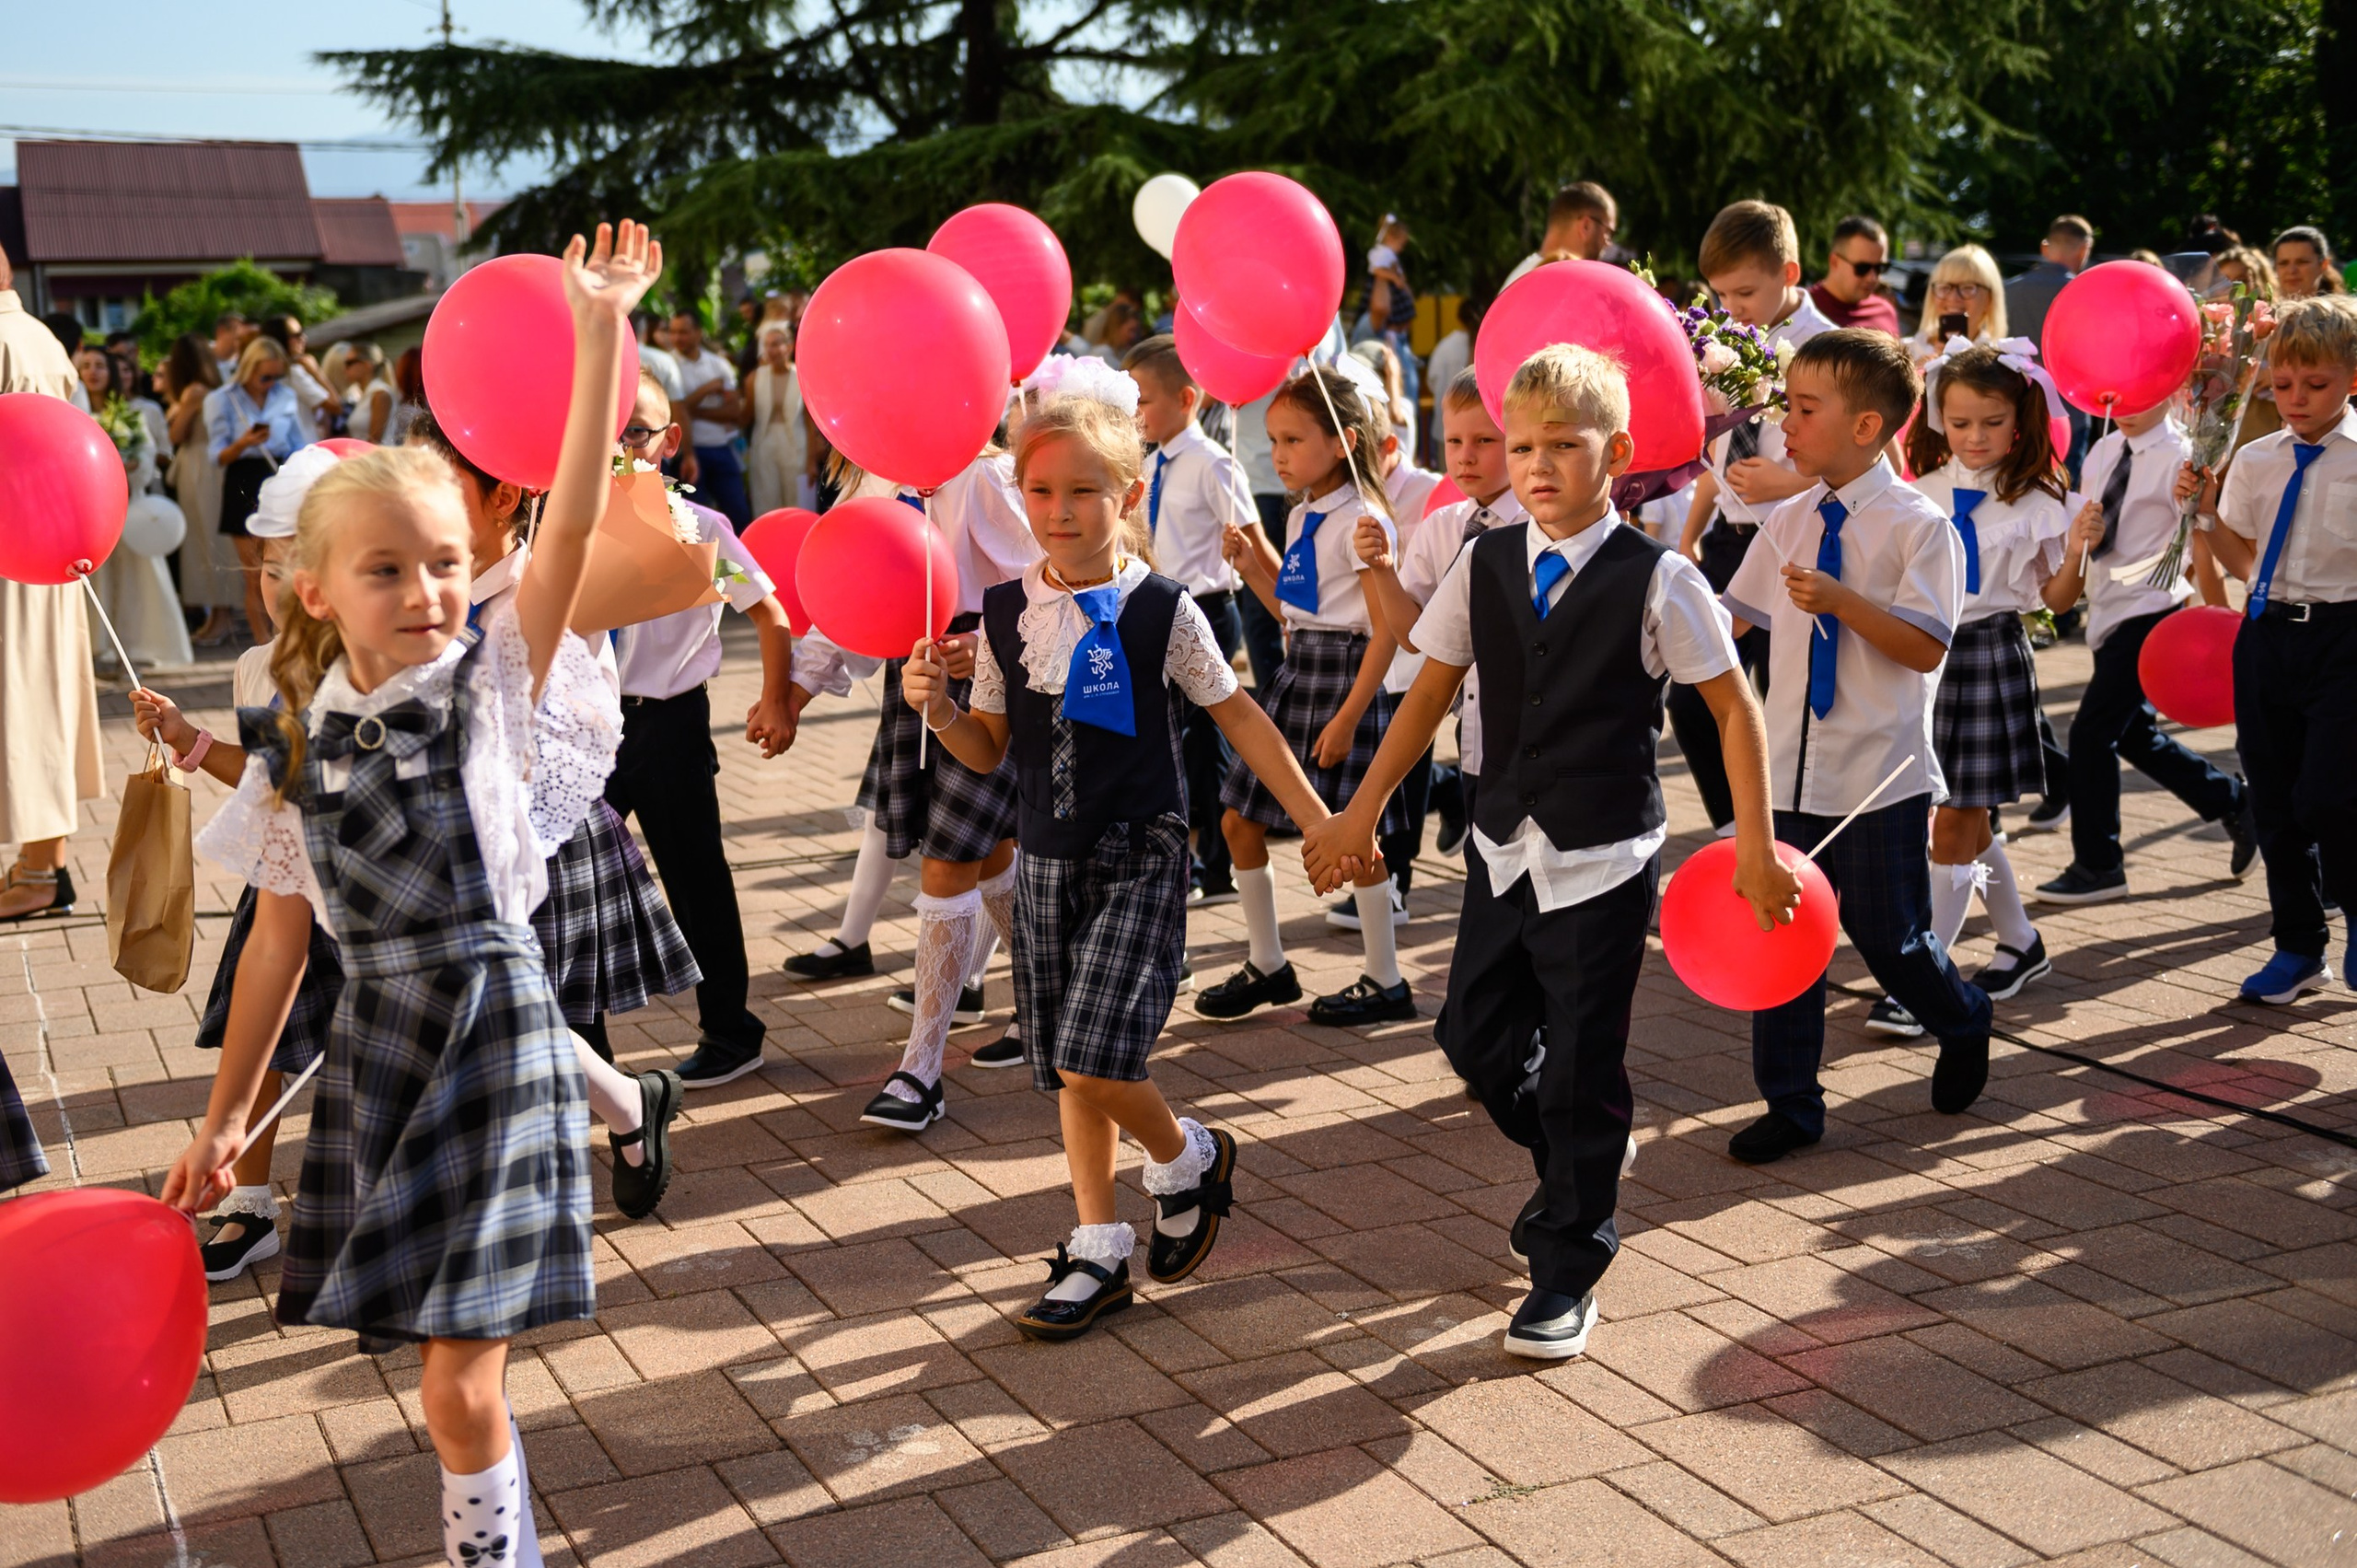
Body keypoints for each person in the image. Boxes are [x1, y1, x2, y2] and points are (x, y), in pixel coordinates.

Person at [165, 218, 663, 1568]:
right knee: (440, 1375)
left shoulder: (493, 675)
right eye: (387, 568)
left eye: (444, 560)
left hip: (497, 1031)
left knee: (454, 1377)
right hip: (380, 1044)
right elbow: (275, 952)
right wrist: (222, 1131)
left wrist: (599, 324)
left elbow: (559, 524)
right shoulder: (290, 739)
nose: (429, 587)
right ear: (313, 587)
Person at [1307, 343, 1798, 1358]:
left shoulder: (1659, 578)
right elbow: (1431, 684)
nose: (1534, 464)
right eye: (1520, 445)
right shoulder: (1483, 560)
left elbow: (1732, 707)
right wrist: (1359, 812)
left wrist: (1754, 845)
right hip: (1499, 845)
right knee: (1472, 1039)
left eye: (1561, 446)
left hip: (1605, 859)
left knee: (1581, 1061)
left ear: (1614, 452)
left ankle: (1566, 1260)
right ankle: (1584, 1149)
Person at [904, 392, 1332, 1339]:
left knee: (1089, 1053)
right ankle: (1097, 1240)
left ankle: (1186, 1156)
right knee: (1072, 1074)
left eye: (1085, 490)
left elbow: (1240, 716)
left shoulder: (1164, 611)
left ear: (1127, 493)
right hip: (1047, 865)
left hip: (1142, 853)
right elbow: (985, 749)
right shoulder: (1009, 610)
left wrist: (1318, 817)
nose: (1061, 508)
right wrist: (935, 709)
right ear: (1018, 497)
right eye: (1041, 489)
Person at [1719, 330, 1994, 1163]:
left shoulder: (1921, 527)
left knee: (1889, 936)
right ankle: (1793, 1104)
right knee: (1785, 936)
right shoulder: (1788, 517)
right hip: (1789, 770)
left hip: (1881, 772)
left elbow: (1925, 646)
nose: (1786, 426)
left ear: (1868, 426)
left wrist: (1840, 599)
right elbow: (1735, 624)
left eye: (1805, 411)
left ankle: (1962, 1015)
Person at [783, 389, 1049, 1117]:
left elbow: (1049, 584)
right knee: (989, 854)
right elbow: (847, 599)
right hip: (916, 679)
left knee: (946, 859)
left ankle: (921, 1070)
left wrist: (984, 645)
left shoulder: (988, 478)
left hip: (987, 687)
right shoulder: (869, 482)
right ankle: (1043, 999)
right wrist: (793, 695)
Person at [132, 448, 351, 1279]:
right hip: (291, 885)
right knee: (259, 1049)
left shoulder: (399, 669)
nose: (279, 590)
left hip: (383, 906)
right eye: (265, 571)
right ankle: (250, 1205)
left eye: (299, 570)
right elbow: (269, 785)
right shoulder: (255, 668)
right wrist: (190, 742)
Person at [1200, 366, 1415, 1027]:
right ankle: (1268, 962)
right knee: (1238, 819)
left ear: (1344, 440)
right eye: (1273, 440)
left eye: (1293, 439)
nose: (1278, 455)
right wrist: (1248, 568)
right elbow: (1297, 615)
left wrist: (1350, 716)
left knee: (1356, 838)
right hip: (1301, 672)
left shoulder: (1364, 520)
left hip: (1349, 678)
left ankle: (1386, 977)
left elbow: (1386, 634)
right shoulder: (1299, 516)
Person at [602, 375, 800, 1089]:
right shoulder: (566, 526)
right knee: (562, 879)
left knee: (695, 879)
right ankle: (580, 1039)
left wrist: (777, 698)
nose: (620, 449)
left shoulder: (698, 529)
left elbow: (770, 614)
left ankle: (731, 1030)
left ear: (669, 442)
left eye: (636, 433)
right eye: (605, 432)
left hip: (668, 725)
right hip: (589, 726)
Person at [1882, 343, 2075, 1020]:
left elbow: (2056, 596)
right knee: (1964, 816)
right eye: (1960, 422)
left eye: (1991, 422)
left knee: (1955, 820)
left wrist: (2077, 545)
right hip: (1925, 655)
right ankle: (2020, 941)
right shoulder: (1919, 491)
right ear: (1938, 418)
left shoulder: (2039, 500)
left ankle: (1923, 974)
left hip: (1989, 651)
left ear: (2019, 421)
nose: (1974, 436)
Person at [2182, 296, 2357, 1003]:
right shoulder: (2257, 458)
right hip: (2267, 633)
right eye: (2282, 385)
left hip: (2346, 635)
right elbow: (2243, 553)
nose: (2295, 400)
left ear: (2351, 379)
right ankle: (2297, 946)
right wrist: (2203, 509)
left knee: (2332, 795)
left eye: (2315, 385)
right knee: (2274, 799)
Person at [2034, 393, 2252, 908]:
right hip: (2108, 610)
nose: (2127, 403)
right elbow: (2090, 534)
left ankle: (2098, 864)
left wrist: (2221, 621)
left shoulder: (2185, 455)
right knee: (2130, 733)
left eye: (2143, 391)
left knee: (2090, 734)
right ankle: (2235, 801)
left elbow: (2197, 539)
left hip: (2153, 613)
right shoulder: (2104, 448)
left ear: (2172, 389)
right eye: (2119, 390)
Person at [1671, 201, 1834, 832]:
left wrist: (1788, 481)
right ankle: (1736, 831)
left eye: (1745, 290)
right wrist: (1690, 533)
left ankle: (1785, 838)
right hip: (1728, 543)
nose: (1731, 305)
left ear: (1788, 271)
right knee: (1695, 696)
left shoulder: (1825, 346)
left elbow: (1866, 456)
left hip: (1799, 544)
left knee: (1782, 699)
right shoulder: (1721, 340)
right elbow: (1717, 453)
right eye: (1719, 293)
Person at [1356, 366, 1525, 864]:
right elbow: (1412, 637)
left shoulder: (1541, 527)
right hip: (1472, 738)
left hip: (1533, 738)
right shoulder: (1442, 526)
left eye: (1484, 440)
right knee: (1484, 868)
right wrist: (1384, 570)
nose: (1465, 456)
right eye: (1453, 440)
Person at [1124, 334, 1256, 904]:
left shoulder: (1213, 464)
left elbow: (1249, 542)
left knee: (1209, 740)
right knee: (1166, 735)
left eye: (1143, 402)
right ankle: (1177, 852)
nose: (1135, 416)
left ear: (1186, 398)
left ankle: (1217, 863)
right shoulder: (1145, 465)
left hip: (1208, 609)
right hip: (1157, 608)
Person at [0, 243, 103, 929]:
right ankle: (42, 863)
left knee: (24, 701)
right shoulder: (36, 334)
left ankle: (40, 872)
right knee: (45, 699)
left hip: (11, 548)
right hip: (47, 543)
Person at [209, 335, 313, 641]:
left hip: (279, 473)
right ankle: (261, 644)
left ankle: (286, 637)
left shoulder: (286, 396)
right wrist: (244, 443)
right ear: (248, 369)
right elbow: (215, 455)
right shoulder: (223, 398)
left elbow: (299, 444)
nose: (270, 383)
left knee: (289, 565)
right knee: (256, 571)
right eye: (264, 376)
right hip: (243, 475)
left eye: (276, 376)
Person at [163, 331, 237, 644]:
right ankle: (217, 618)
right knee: (204, 544)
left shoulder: (194, 392)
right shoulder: (212, 390)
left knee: (209, 543)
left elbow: (177, 435)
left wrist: (181, 406)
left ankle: (222, 618)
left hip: (202, 470)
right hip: (202, 469)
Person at [669, 311, 749, 525]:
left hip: (721, 448)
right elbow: (671, 412)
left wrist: (688, 409)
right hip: (687, 454)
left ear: (698, 333)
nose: (677, 338)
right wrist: (707, 389)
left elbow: (734, 413)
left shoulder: (719, 365)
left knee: (739, 515)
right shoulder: (667, 365)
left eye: (683, 332)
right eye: (674, 332)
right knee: (695, 523)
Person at [743, 322, 810, 516]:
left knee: (796, 498)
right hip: (764, 441)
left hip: (796, 441)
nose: (770, 350)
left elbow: (809, 420)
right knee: (766, 496)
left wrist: (812, 460)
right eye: (767, 345)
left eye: (775, 344)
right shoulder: (755, 377)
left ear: (788, 347)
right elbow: (747, 415)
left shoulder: (801, 375)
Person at [2003, 215, 2095, 347]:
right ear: (2084, 250)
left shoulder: (2008, 290)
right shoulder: (2086, 295)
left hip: (2013, 367)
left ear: (2044, 248)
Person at [1505, 181, 1619, 285]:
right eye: (1608, 232)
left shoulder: (1523, 274)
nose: (1608, 243)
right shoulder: (1560, 280)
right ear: (1586, 226)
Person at [1911, 245, 2009, 364]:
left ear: (1990, 298)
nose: (1953, 298)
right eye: (1944, 287)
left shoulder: (2001, 362)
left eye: (1967, 288)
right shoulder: (1908, 353)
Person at [1809, 215, 1900, 336]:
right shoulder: (1804, 309)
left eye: (1880, 268)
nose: (1872, 277)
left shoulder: (1885, 312)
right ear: (1834, 262)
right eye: (1862, 268)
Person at [1424, 290, 1484, 458]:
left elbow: (1432, 381)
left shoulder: (1444, 346)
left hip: (1446, 425)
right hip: (1479, 429)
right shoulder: (1485, 344)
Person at [261, 315, 335, 436]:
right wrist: (315, 371)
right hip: (303, 444)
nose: (303, 338)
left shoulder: (265, 373)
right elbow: (335, 406)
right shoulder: (294, 373)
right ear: (281, 339)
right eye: (297, 335)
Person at [343, 342, 401, 445]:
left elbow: (374, 440)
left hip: (379, 458)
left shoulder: (380, 394)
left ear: (367, 364)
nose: (345, 368)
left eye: (349, 363)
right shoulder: (367, 393)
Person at [2272, 226, 2342, 299]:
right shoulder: (2265, 309)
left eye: (2301, 262)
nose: (2291, 270)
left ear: (2324, 265)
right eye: (2283, 263)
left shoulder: (2344, 310)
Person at [210, 310, 250, 383]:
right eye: (237, 330)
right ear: (221, 331)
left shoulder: (244, 362)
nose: (242, 335)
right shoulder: (199, 354)